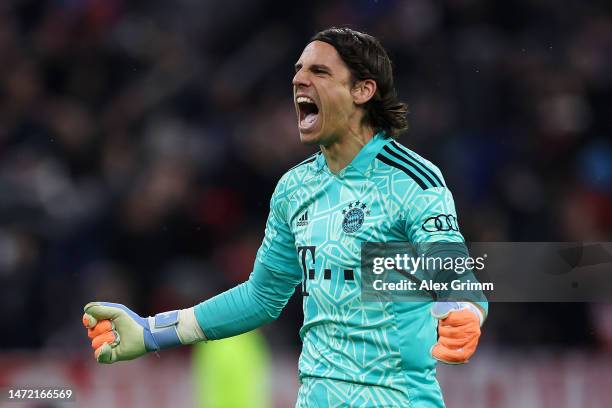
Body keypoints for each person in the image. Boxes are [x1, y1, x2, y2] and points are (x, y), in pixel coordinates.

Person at [82, 27, 488, 407]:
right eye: (297, 70)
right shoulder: (295, 189)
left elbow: (452, 270)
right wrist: (152, 331)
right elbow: (261, 297)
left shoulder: (410, 180)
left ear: (363, 90)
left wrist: (467, 310)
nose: (298, 80)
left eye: (319, 71)